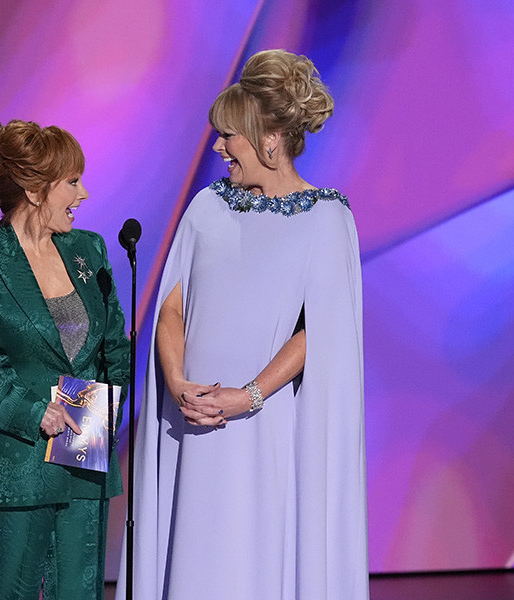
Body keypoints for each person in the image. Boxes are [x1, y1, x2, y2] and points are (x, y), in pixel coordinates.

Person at [120, 50, 368, 599]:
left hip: (262, 423)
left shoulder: (326, 219)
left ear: (269, 139)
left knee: (250, 557)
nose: (218, 147)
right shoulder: (206, 207)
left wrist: (248, 395)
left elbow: (322, 332)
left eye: (228, 135)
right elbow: (171, 307)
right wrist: (178, 384)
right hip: (192, 418)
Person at [0, 120, 130, 600]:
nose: (83, 194)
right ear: (36, 191)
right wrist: (31, 412)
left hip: (85, 454)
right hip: (17, 463)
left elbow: (115, 350)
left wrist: (102, 418)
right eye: (72, 182)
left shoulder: (89, 250)